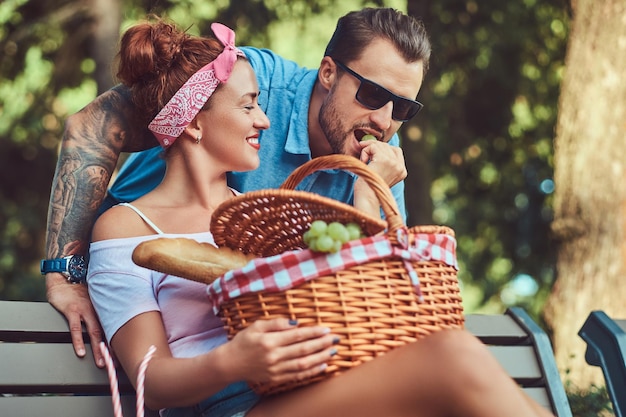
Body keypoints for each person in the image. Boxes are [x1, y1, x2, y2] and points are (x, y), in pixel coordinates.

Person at [88, 16, 554, 417]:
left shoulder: (251, 216)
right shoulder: (125, 227)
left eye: (405, 108)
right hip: (233, 406)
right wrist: (235, 362)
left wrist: (368, 192)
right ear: (192, 121)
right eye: (250, 105)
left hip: (316, 390)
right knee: (454, 356)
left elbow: (364, 297)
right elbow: (151, 380)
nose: (265, 120)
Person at [43, 7, 431, 368]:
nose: (384, 119)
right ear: (328, 72)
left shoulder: (379, 157)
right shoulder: (247, 79)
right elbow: (91, 128)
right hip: (136, 274)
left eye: (403, 109)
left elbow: (381, 300)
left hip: (236, 341)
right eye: (374, 94)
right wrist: (66, 275)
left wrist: (367, 190)